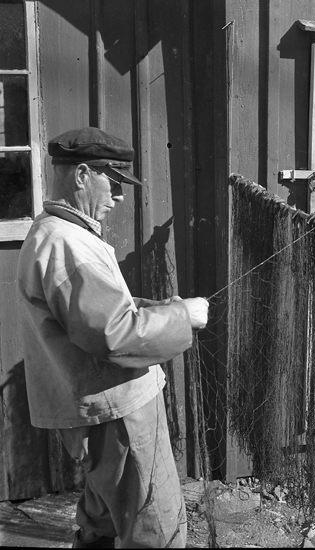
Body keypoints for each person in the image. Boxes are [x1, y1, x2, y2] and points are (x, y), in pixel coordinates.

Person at [16, 127, 209, 548]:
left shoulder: (56, 232)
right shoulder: (67, 243)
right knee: (155, 529)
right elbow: (114, 335)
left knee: (102, 523)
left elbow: (95, 311)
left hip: (99, 412)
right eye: (115, 181)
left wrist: (159, 308)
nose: (120, 196)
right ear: (82, 174)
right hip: (118, 412)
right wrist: (184, 317)